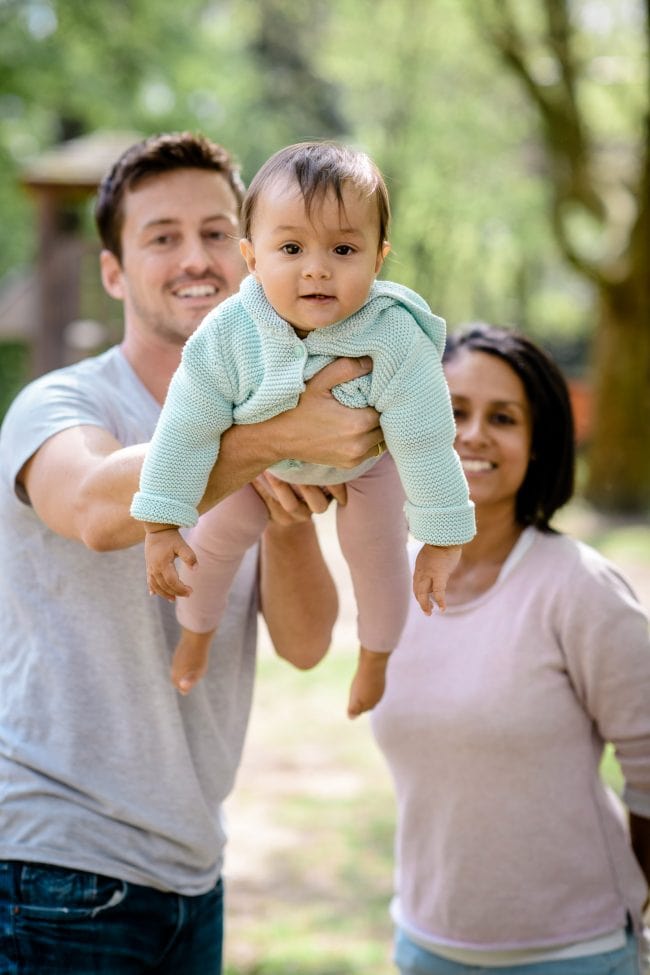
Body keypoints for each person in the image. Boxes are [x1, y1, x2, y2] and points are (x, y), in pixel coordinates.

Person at [0, 132, 386, 975]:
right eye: (161, 237)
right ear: (114, 273)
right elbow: (98, 508)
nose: (194, 258)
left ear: (250, 253)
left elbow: (306, 641)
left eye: (215, 232)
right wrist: (272, 437)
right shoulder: (60, 403)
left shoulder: (275, 411)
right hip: (53, 866)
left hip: (193, 868)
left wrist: (284, 507)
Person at [130, 141, 475, 716]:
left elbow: (425, 438)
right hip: (258, 469)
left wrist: (441, 537)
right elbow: (186, 427)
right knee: (211, 543)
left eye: (343, 248)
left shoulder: (393, 336)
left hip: (367, 466)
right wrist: (162, 522)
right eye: (290, 247)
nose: (317, 267)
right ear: (252, 257)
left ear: (378, 258)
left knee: (376, 551)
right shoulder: (229, 334)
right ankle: (196, 636)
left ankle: (376, 656)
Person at [370, 323, 650, 974]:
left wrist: (618, 906)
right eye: (452, 411)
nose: (472, 434)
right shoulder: (387, 579)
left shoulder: (579, 588)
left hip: (575, 954)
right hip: (425, 945)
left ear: (537, 443)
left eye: (503, 417)